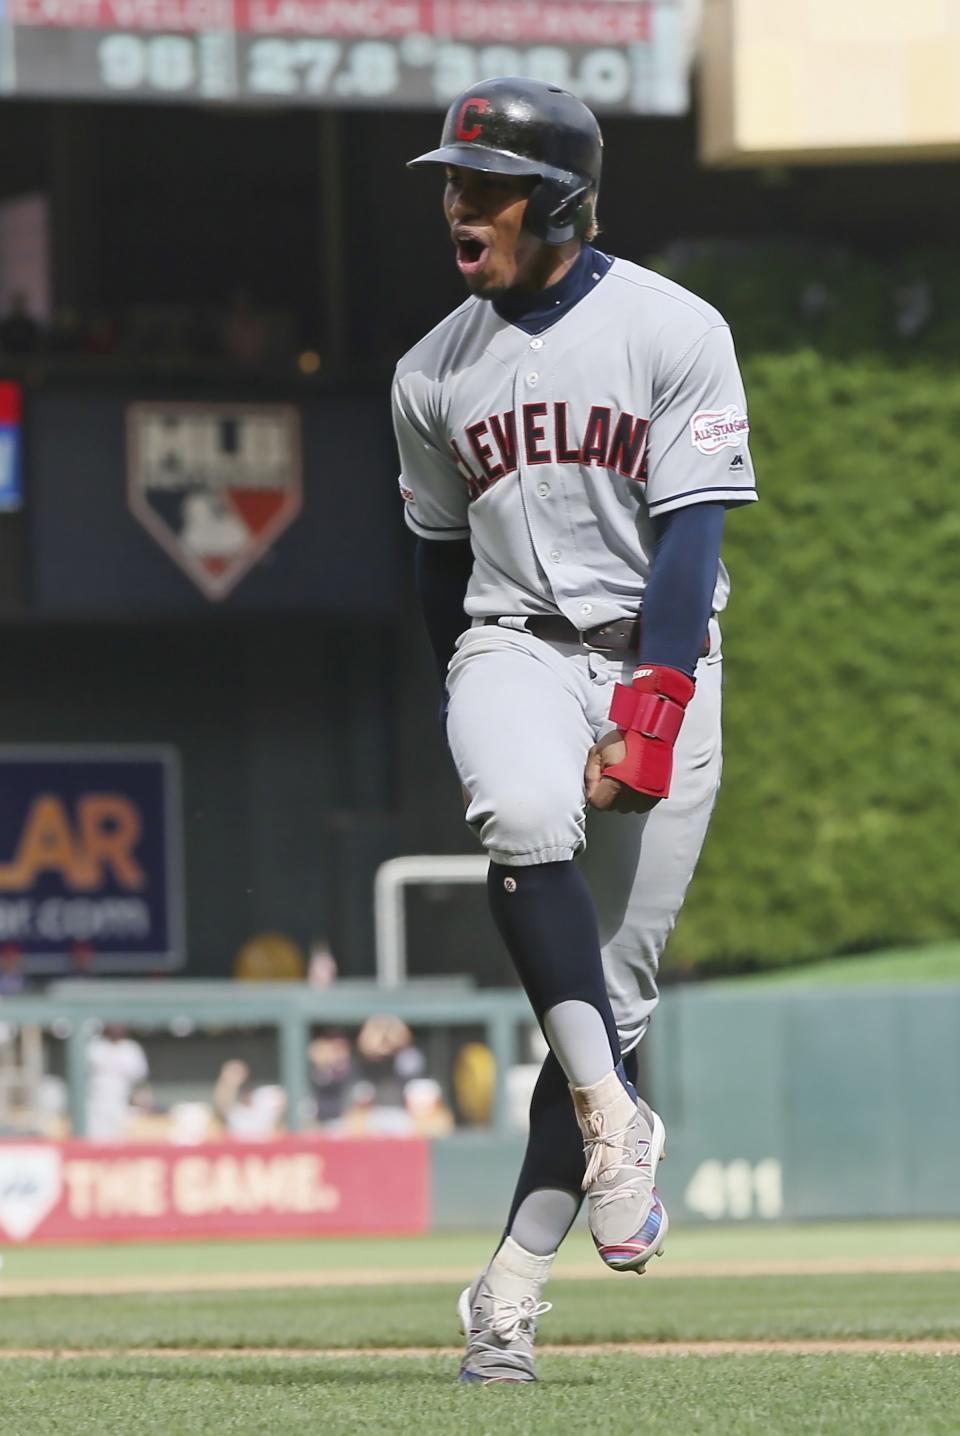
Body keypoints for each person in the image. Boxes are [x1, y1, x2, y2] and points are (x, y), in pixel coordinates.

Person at [392, 77, 758, 1384]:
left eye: (484, 184)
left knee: (618, 991)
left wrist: (652, 707)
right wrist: (469, 699)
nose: (458, 203)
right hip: (514, 645)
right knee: (525, 813)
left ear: (558, 201)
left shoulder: (674, 327)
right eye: (451, 180)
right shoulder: (428, 372)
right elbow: (441, 567)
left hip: (661, 655)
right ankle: (615, 1115)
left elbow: (693, 532)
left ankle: (507, 1293)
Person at [86, 1025, 149, 1141]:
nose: (117, 1029)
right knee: (95, 1141)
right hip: (95, 1106)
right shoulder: (95, 1047)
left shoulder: (131, 1049)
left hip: (122, 1104)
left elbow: (140, 1081)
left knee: (119, 1143)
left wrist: (142, 1099)